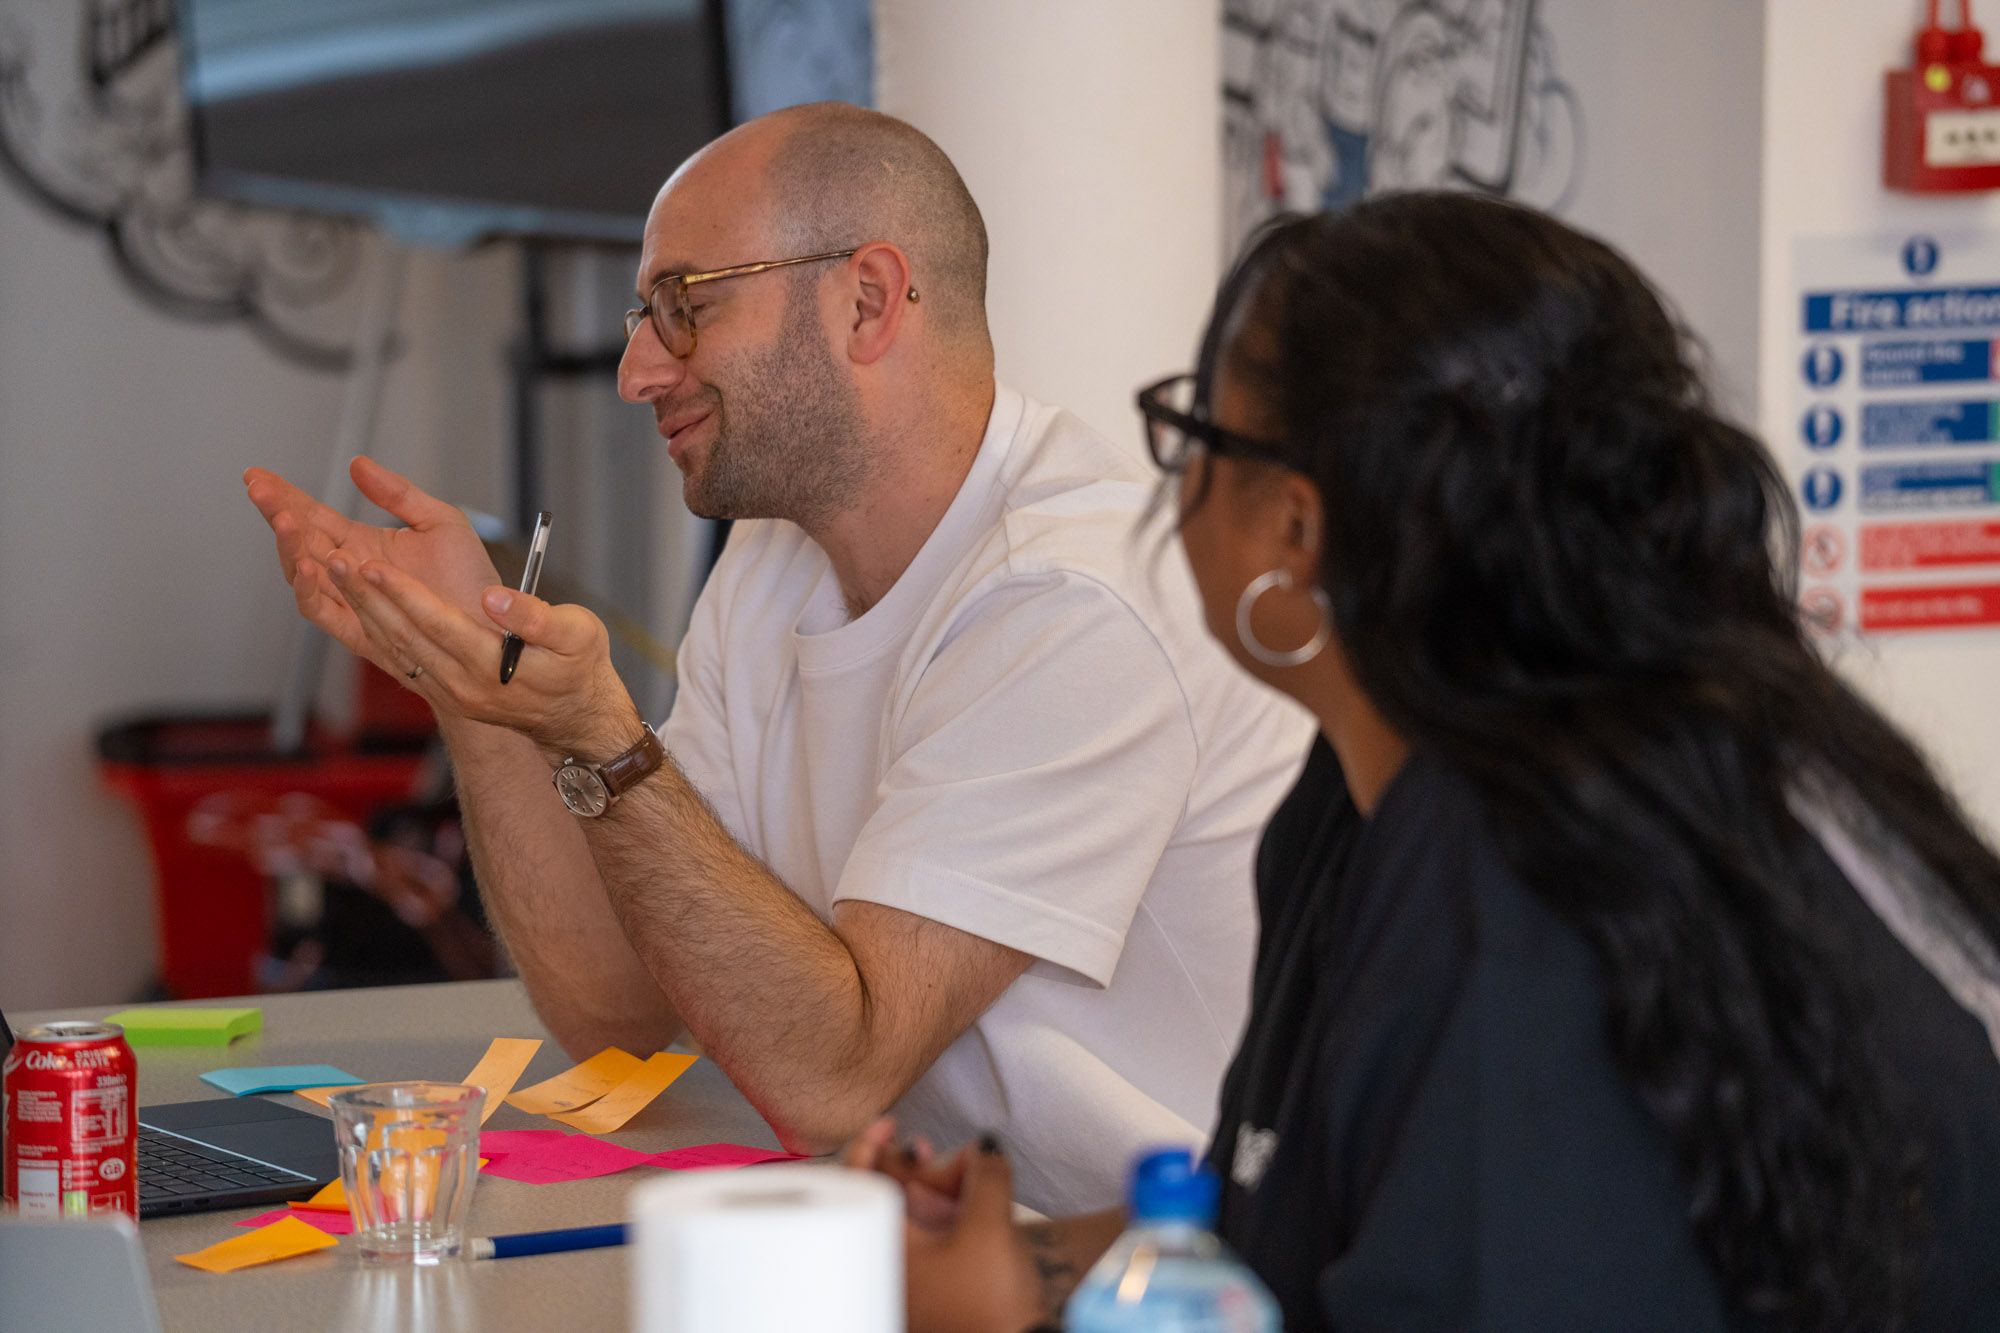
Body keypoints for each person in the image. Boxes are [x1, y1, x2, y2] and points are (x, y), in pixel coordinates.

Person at [855, 193, 2000, 1331]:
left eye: (1196, 430)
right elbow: (1280, 1215)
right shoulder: (1376, 794)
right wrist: (1025, 1262)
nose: (1176, 478)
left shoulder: (1521, 876)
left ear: (1295, 534)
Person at [241, 102, 1311, 1214]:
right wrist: (480, 686)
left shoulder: (1072, 596)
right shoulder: (771, 562)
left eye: (682, 306)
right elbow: (618, 1007)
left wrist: (601, 738)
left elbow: (832, 1080)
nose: (635, 370)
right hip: (935, 1247)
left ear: (865, 300)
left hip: (1155, 1283)